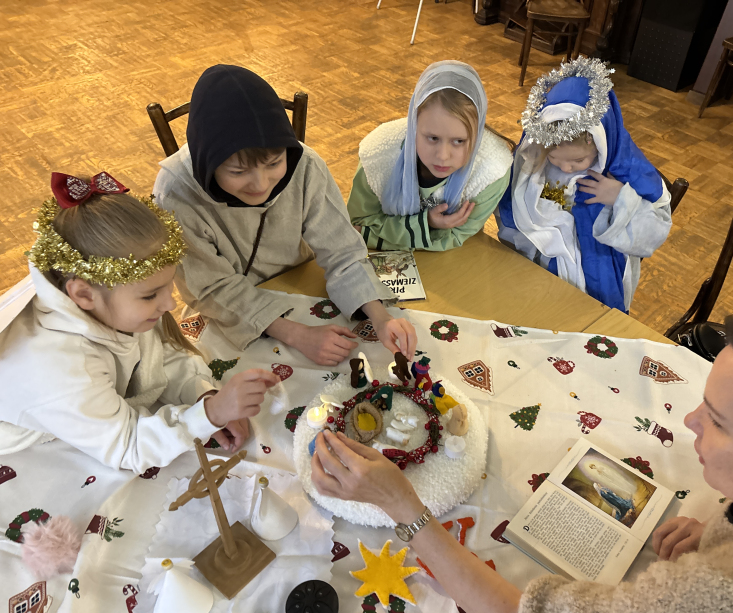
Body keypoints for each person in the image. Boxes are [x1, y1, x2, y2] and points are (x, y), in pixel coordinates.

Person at [310, 316, 733, 613]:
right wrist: (727, 534)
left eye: (719, 422)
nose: (689, 421)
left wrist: (405, 507)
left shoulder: (723, 600)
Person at [0, 173, 279, 473]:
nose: (171, 304)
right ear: (83, 294)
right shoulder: (59, 369)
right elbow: (127, 448)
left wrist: (203, 395)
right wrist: (209, 414)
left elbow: (158, 355)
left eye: (168, 286)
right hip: (28, 450)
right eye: (150, 295)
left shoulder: (113, 302)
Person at [153, 64, 416, 365]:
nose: (260, 185)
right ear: (207, 164)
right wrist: (298, 335)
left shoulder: (304, 164)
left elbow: (342, 250)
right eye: (238, 171)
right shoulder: (174, 193)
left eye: (274, 163)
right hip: (226, 311)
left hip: (299, 283)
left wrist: (381, 317)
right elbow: (211, 288)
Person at [496, 58, 672, 312]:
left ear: (599, 145)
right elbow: (512, 207)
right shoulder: (535, 162)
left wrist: (620, 198)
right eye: (555, 158)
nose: (566, 168)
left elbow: (654, 232)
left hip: (597, 278)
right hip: (541, 272)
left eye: (578, 161)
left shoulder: (625, 172)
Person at [347, 60, 513, 251]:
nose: (443, 156)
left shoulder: (492, 171)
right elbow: (355, 226)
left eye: (459, 141)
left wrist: (381, 235)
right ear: (413, 125)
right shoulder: (377, 155)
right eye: (433, 138)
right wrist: (426, 224)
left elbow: (458, 236)